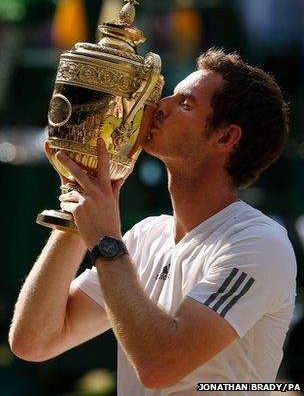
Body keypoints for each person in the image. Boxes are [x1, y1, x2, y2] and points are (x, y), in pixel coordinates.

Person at [9, 48, 296, 395]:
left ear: (225, 137)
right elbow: (32, 342)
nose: (159, 106)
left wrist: (104, 241)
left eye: (185, 104)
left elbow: (160, 366)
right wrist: (78, 210)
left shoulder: (259, 244)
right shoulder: (146, 236)